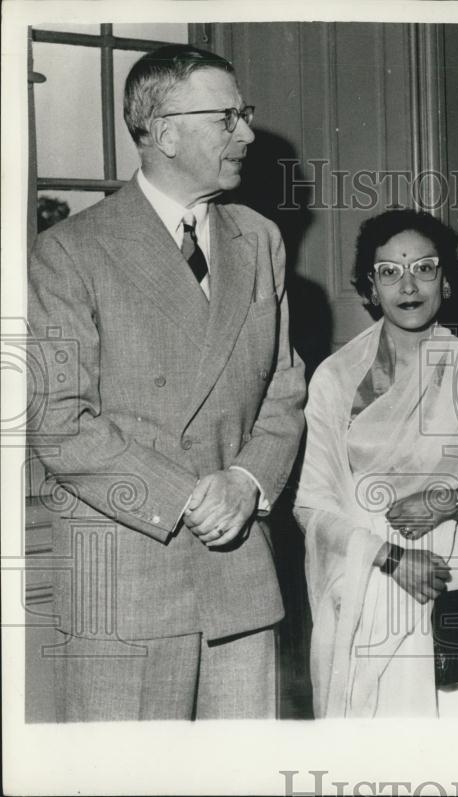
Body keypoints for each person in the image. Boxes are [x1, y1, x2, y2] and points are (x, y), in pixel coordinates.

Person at [26, 45, 306, 721]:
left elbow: (285, 384)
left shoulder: (259, 238)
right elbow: (58, 418)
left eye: (247, 114)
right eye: (228, 117)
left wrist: (247, 482)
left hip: (240, 577)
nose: (246, 133)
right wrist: (186, 497)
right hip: (126, 580)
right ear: (165, 129)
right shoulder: (70, 252)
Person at [293, 209, 458, 717]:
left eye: (424, 267)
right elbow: (312, 505)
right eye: (389, 271)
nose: (408, 284)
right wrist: (389, 558)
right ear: (370, 288)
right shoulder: (334, 379)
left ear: (446, 281)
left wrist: (454, 502)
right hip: (369, 587)